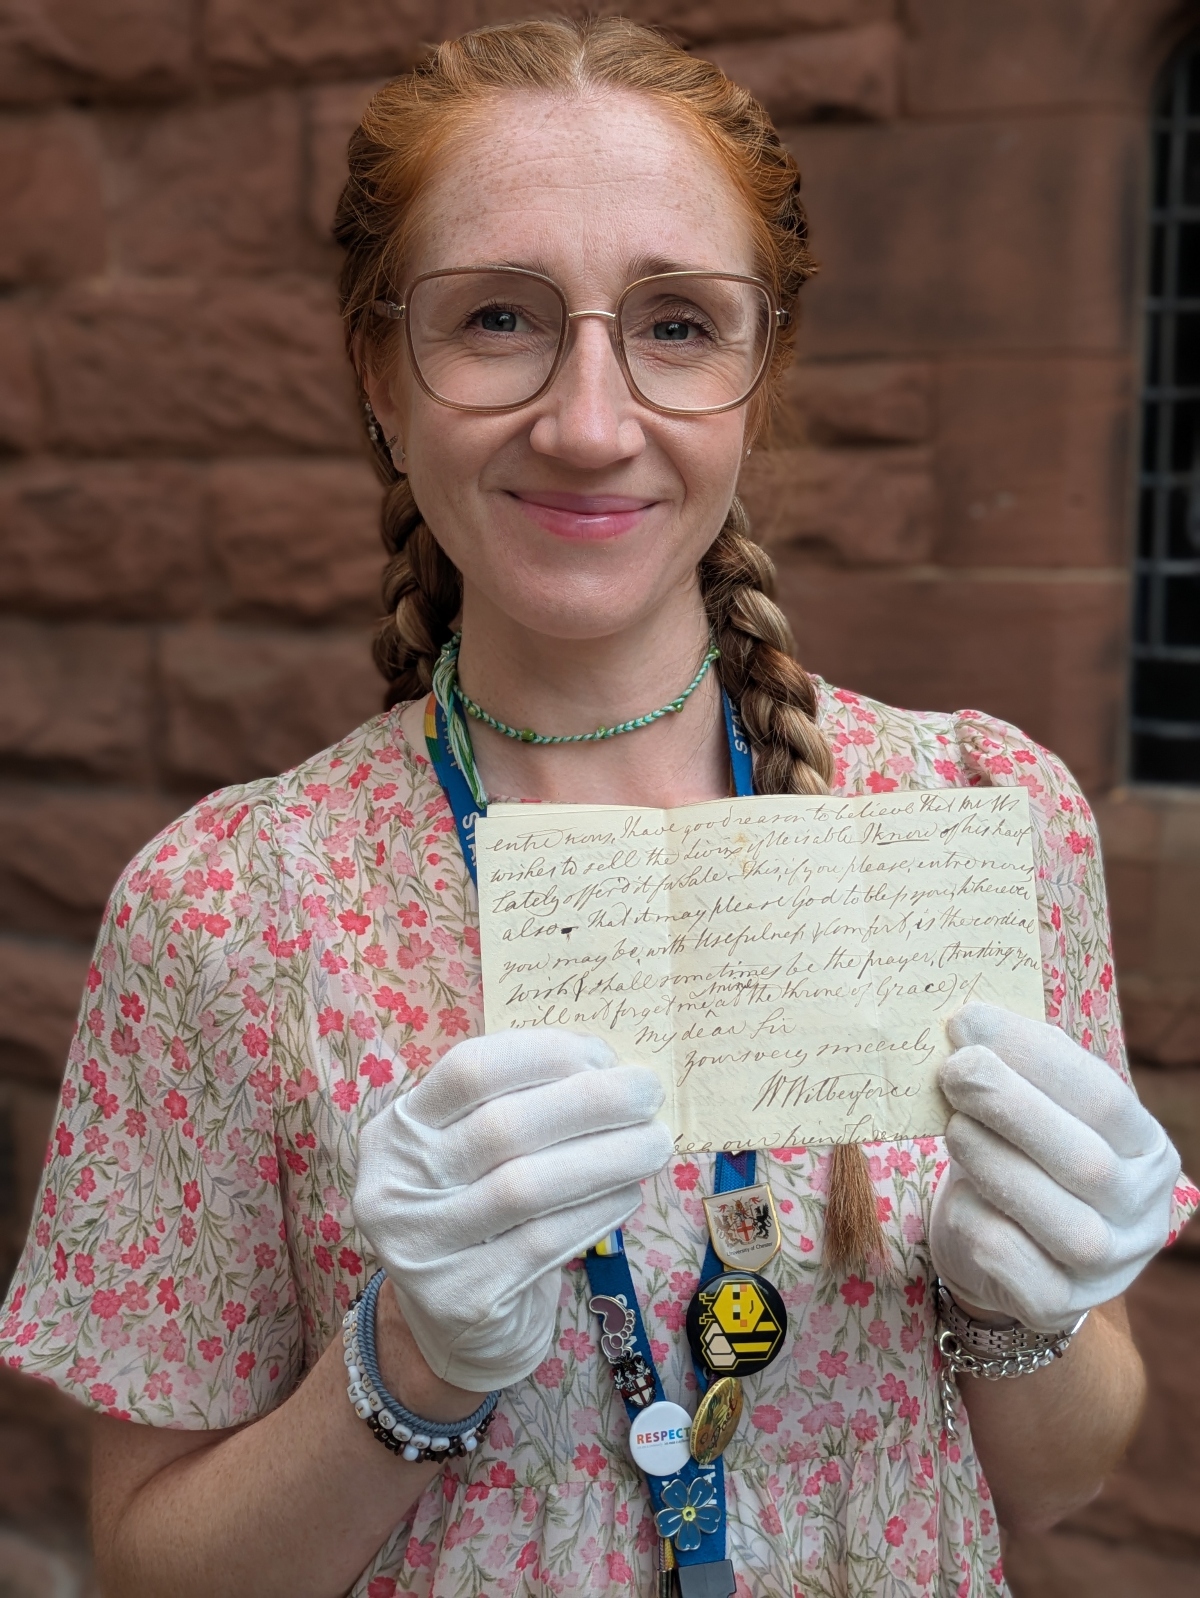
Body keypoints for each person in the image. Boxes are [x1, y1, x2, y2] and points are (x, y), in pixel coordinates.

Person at [0, 18, 1194, 1598]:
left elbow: (1063, 1477)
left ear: (761, 373)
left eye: (677, 324)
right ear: (379, 372)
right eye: (497, 316)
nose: (586, 420)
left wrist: (1021, 1302)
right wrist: (409, 1365)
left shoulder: (986, 816)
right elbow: (153, 1568)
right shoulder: (227, 906)